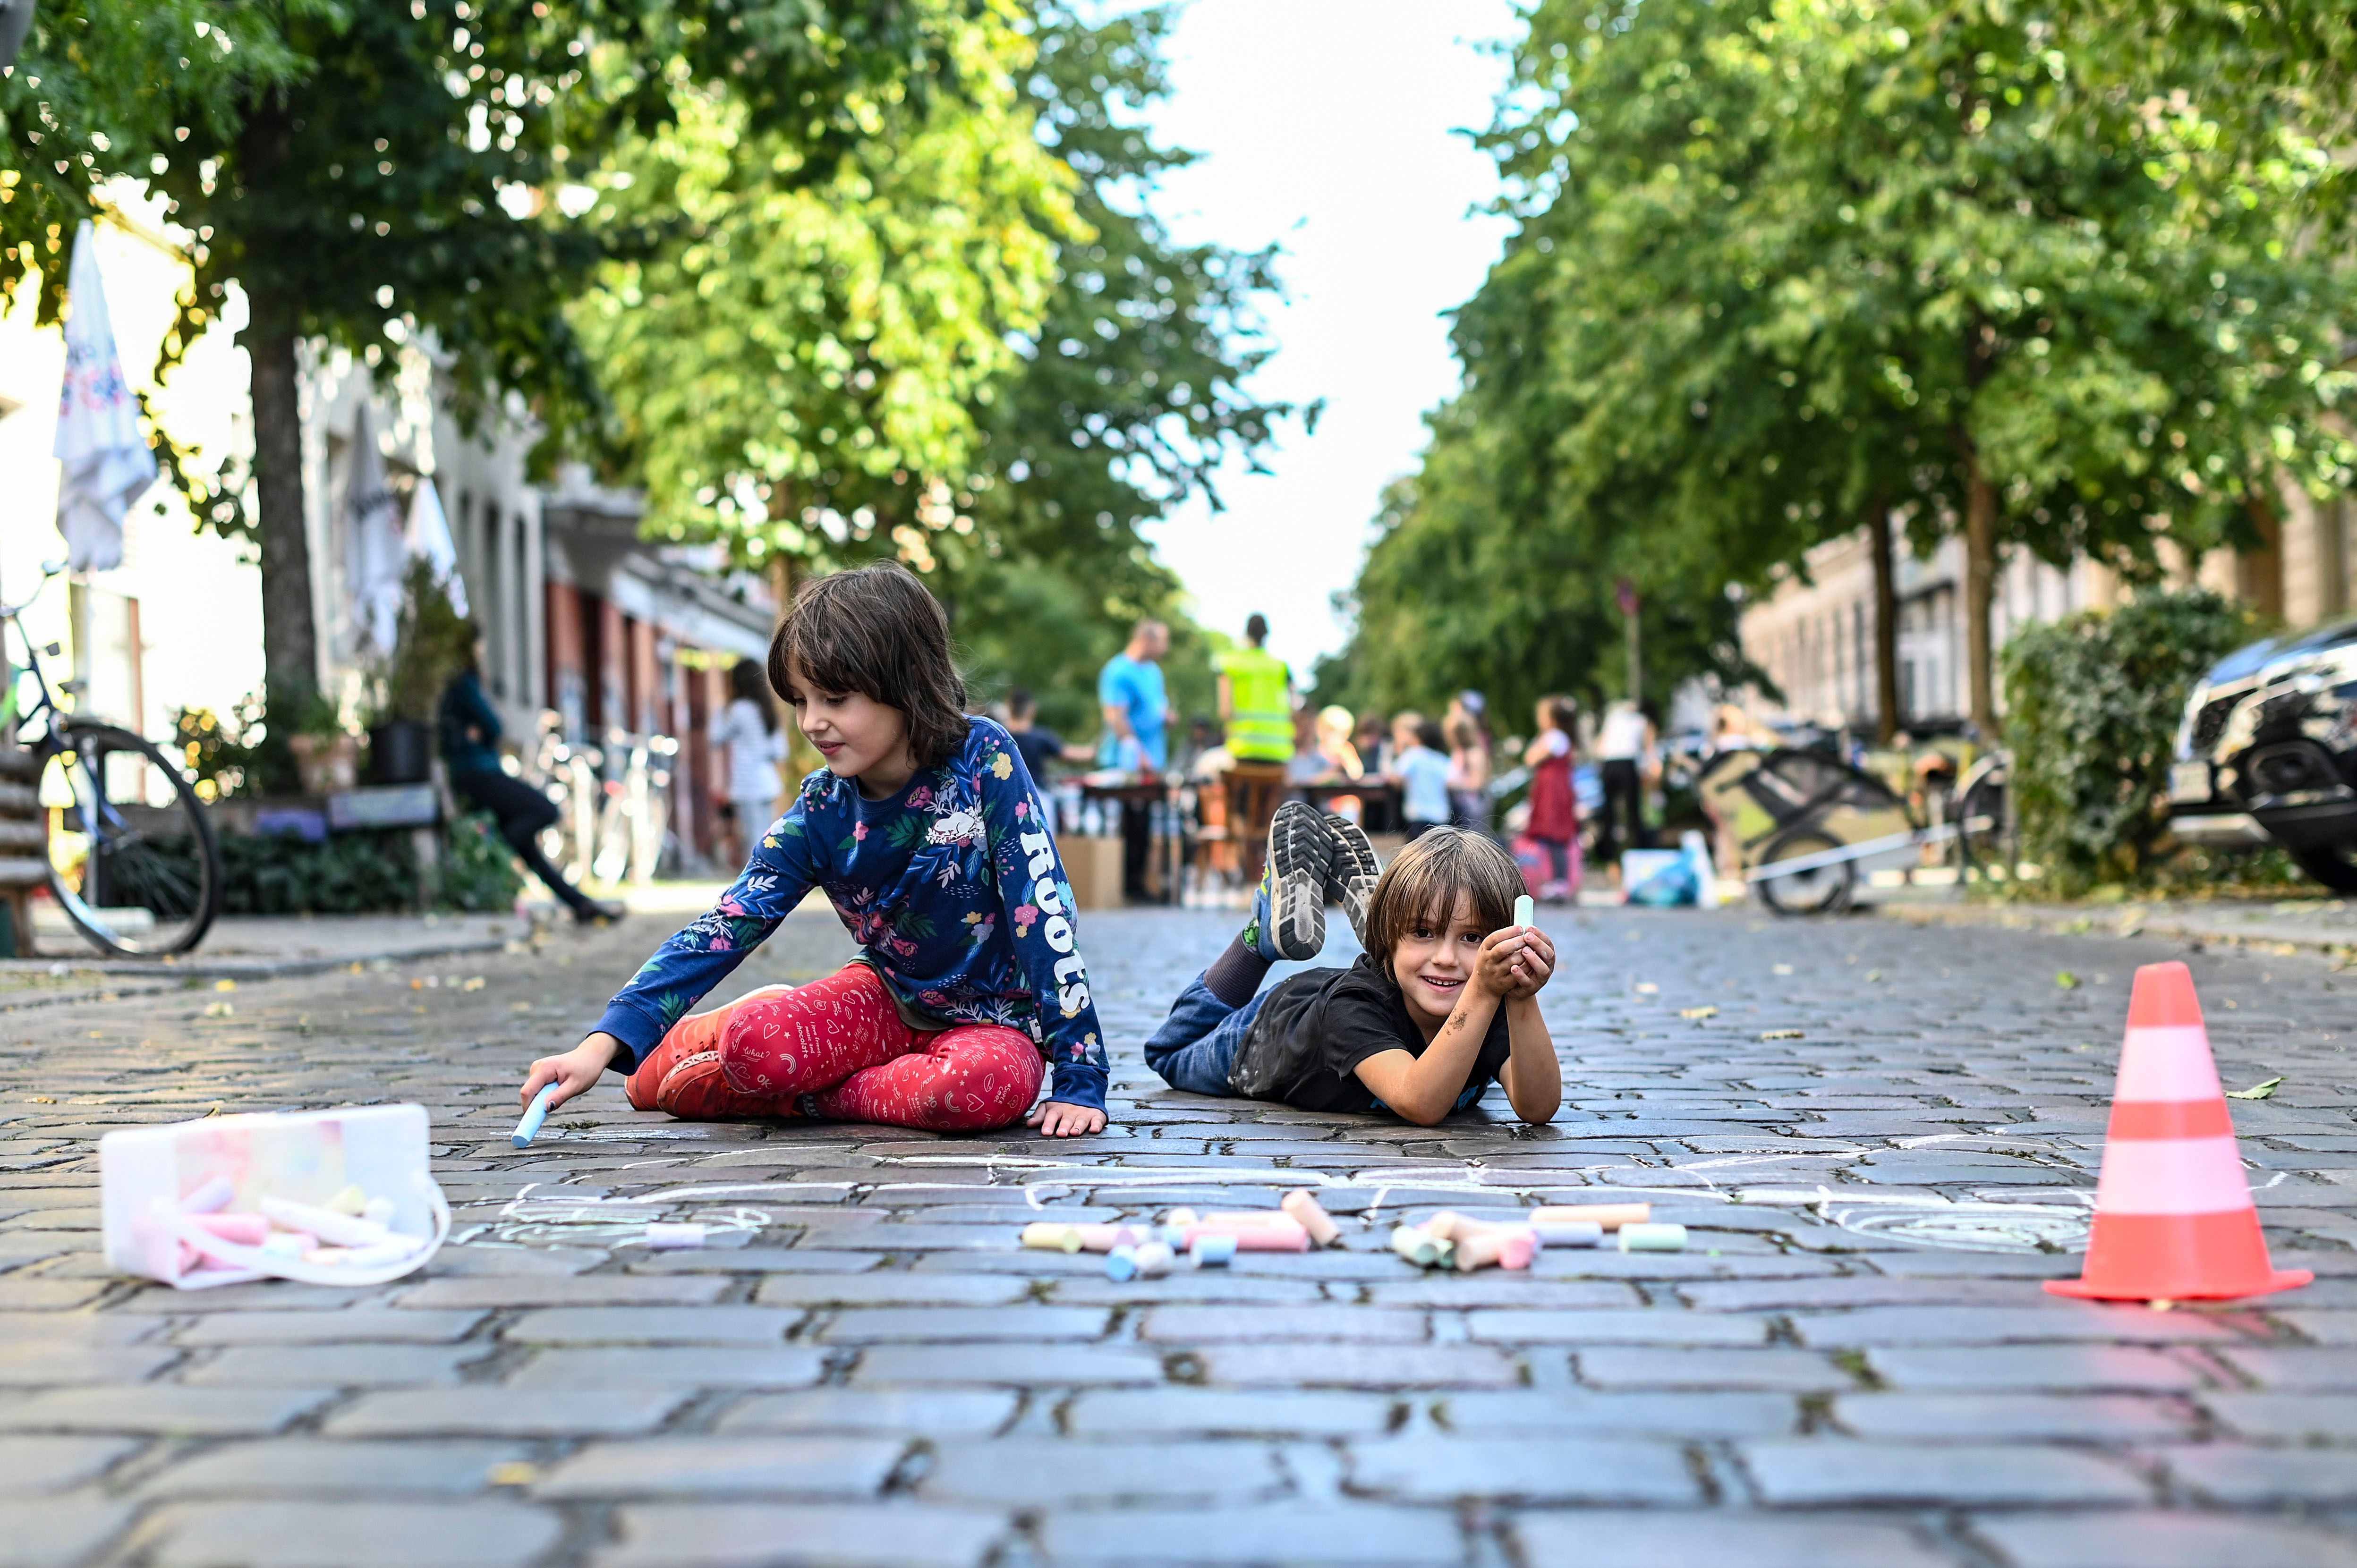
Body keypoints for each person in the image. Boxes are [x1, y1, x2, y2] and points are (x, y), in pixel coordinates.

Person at [519, 562, 1111, 1139]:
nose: (811, 722)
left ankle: (800, 1096)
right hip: (883, 1000)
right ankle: (734, 1041)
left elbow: (1041, 909)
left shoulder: (984, 758)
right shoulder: (821, 808)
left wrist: (1079, 1074)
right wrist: (599, 1045)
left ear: (905, 683)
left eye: (833, 698)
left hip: (994, 1024)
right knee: (753, 1045)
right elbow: (727, 923)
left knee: (978, 1089)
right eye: (800, 701)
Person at [1142, 803, 1560, 1126]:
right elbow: (1420, 1102)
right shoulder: (1354, 1008)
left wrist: (1520, 993)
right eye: (1423, 932)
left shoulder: (1489, 998)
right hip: (1268, 1031)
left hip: (1379, 982)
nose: (1447, 958)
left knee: (1429, 969)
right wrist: (1482, 990)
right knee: (1169, 1052)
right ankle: (1260, 939)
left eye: (1472, 938)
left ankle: (1396, 915)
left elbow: (1537, 1108)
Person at [440, 634, 621, 924]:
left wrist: (478, 733)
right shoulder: (464, 684)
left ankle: (580, 904)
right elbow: (494, 727)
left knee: (530, 850)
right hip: (479, 774)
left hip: (475, 772)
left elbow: (485, 729)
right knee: (545, 810)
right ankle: (506, 842)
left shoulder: (456, 686)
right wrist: (482, 734)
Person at [1098, 620, 1173, 899]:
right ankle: (1124, 886)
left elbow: (1155, 708)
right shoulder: (1118, 671)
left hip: (1154, 762)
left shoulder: (1154, 672)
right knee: (1129, 824)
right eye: (1163, 641)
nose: (1166, 648)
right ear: (1146, 640)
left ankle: (1140, 884)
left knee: (1145, 826)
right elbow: (1116, 716)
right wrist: (1138, 754)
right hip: (1127, 764)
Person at [713, 658, 786, 864]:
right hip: (768, 782)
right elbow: (780, 751)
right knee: (769, 837)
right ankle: (771, 874)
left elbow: (715, 737)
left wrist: (720, 707)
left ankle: (757, 878)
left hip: (747, 783)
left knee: (752, 839)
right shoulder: (768, 710)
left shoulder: (738, 711)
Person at [1515, 695, 1583, 903]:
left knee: (1555, 835)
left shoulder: (1555, 737)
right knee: (1551, 836)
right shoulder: (1560, 738)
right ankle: (1555, 880)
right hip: (1552, 793)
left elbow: (1531, 758)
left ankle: (1559, 881)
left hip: (1553, 796)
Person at [1213, 613, 1293, 766]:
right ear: (1267, 634)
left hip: (1242, 750)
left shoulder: (1230, 664)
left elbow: (1225, 712)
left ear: (1247, 634)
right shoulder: (1281, 667)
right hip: (1279, 752)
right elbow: (1295, 707)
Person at [1595, 697, 1658, 864]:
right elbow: (1648, 747)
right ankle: (1637, 851)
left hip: (1609, 764)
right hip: (1627, 764)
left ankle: (1609, 856)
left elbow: (1600, 745)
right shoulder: (1642, 721)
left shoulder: (1613, 717)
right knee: (1633, 812)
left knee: (1609, 813)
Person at [1387, 713, 1452, 841]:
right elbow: (1450, 782)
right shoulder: (1443, 760)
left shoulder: (1413, 755)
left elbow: (1395, 777)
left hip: (1418, 813)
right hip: (1440, 814)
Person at [1444, 702, 1491, 833]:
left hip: (1471, 808)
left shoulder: (1474, 754)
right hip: (1457, 806)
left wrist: (1453, 786)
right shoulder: (1457, 753)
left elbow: (1477, 784)